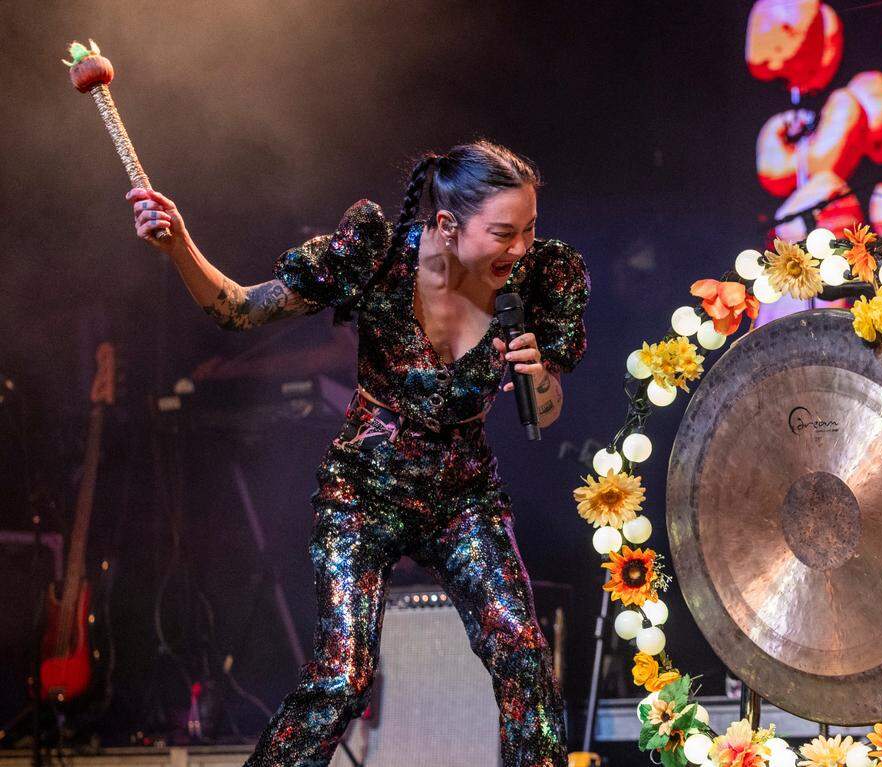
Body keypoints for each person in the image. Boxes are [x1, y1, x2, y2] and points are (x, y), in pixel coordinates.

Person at [126, 140, 589, 767]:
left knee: (525, 658)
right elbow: (238, 309)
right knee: (343, 676)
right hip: (364, 493)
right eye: (504, 233)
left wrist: (539, 379)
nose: (522, 248)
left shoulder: (538, 278)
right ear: (447, 224)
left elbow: (547, 406)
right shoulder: (378, 256)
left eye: (529, 228)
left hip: (463, 495)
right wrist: (179, 243)